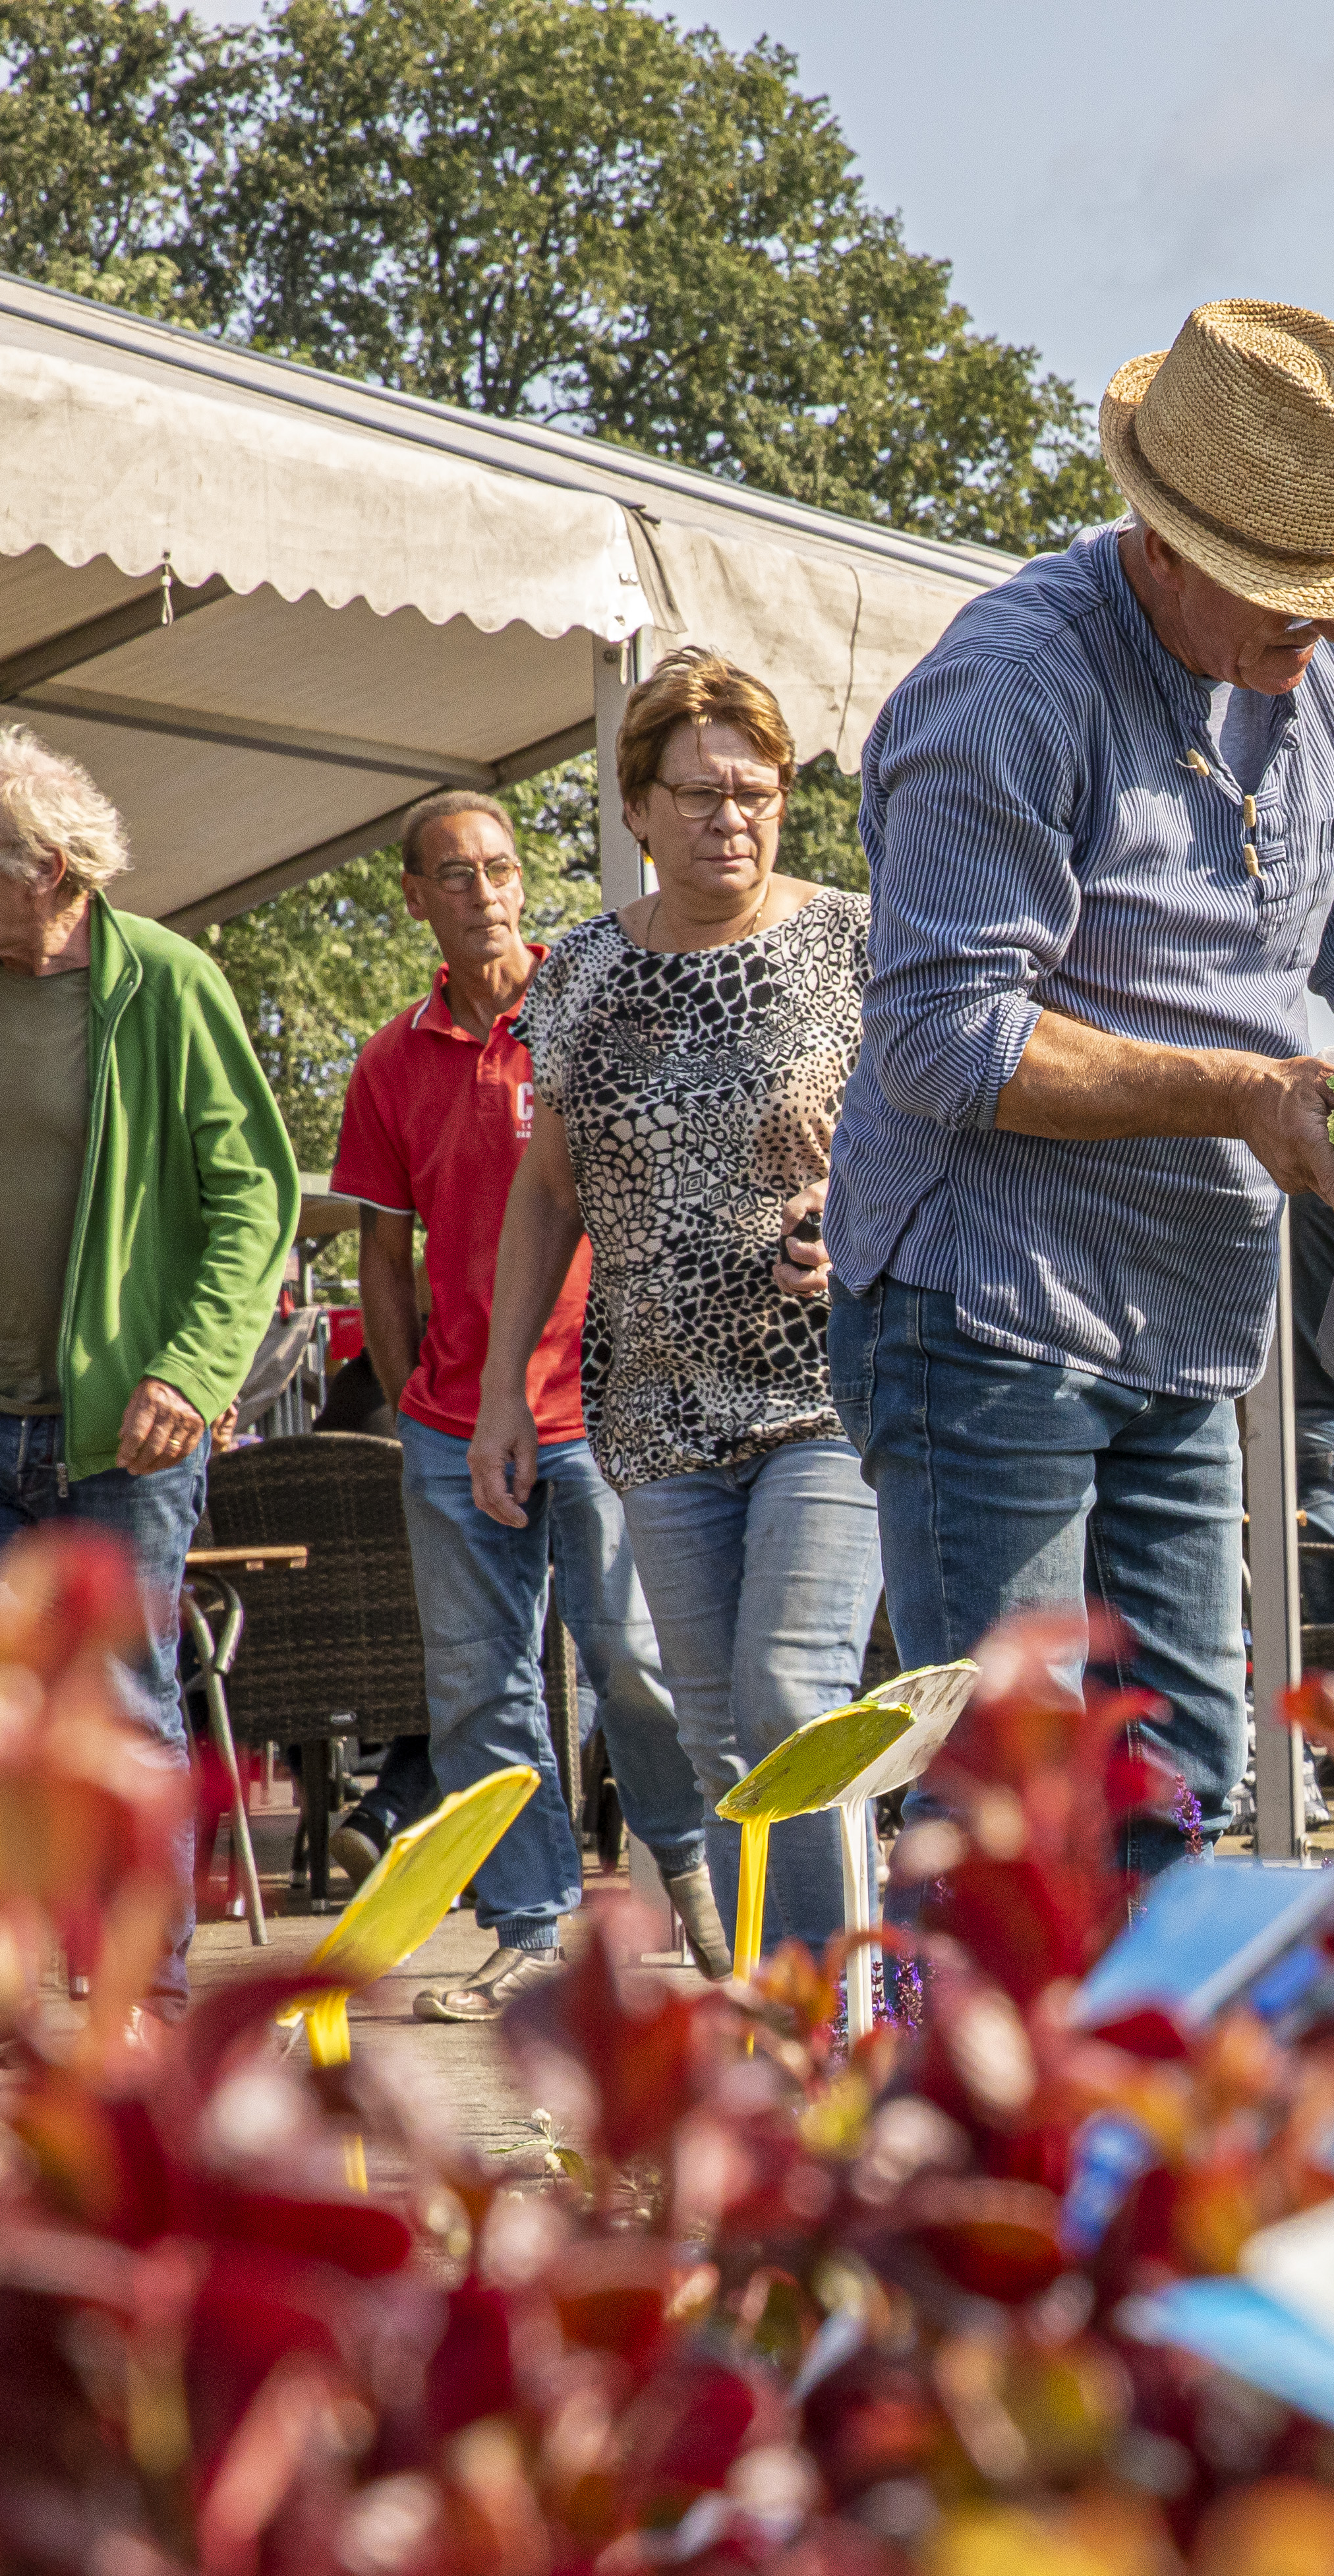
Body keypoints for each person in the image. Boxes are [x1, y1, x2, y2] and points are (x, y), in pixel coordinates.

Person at [837, 300, 1334, 1849]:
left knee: (1182, 1780)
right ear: (1164, 544)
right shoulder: (1013, 688)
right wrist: (1243, 1095)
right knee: (1020, 1806)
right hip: (987, 1306)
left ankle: (1140, 2093)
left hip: (1191, 1310)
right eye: (1286, 607)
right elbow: (944, 1035)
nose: (1313, 652)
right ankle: (973, 2087)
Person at [0, 726, 301, 2092]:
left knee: (125, 1710)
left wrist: (190, 1371)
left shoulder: (169, 989)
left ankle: (137, 2000)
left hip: (121, 1427)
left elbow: (252, 1200)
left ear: (48, 870)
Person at [475, 655, 883, 1991]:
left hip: (831, 1394)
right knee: (721, 1739)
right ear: (636, 807)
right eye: (701, 792)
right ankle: (777, 2032)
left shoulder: (856, 943)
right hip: (652, 1408)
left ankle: (833, 2019)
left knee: (789, 1693)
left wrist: (862, 1209)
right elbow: (549, 1193)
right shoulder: (578, 976)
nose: (733, 818)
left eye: (757, 791)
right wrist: (498, 1391)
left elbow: (942, 1140)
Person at [336, 785, 726, 2010]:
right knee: (476, 1690)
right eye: (455, 875)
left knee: (634, 1661)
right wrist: (416, 1406)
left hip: (608, 1409)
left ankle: (698, 1884)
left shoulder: (597, 998)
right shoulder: (390, 1062)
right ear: (415, 899)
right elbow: (380, 1260)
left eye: (500, 869)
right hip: (456, 1426)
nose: (486, 893)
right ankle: (526, 1929)